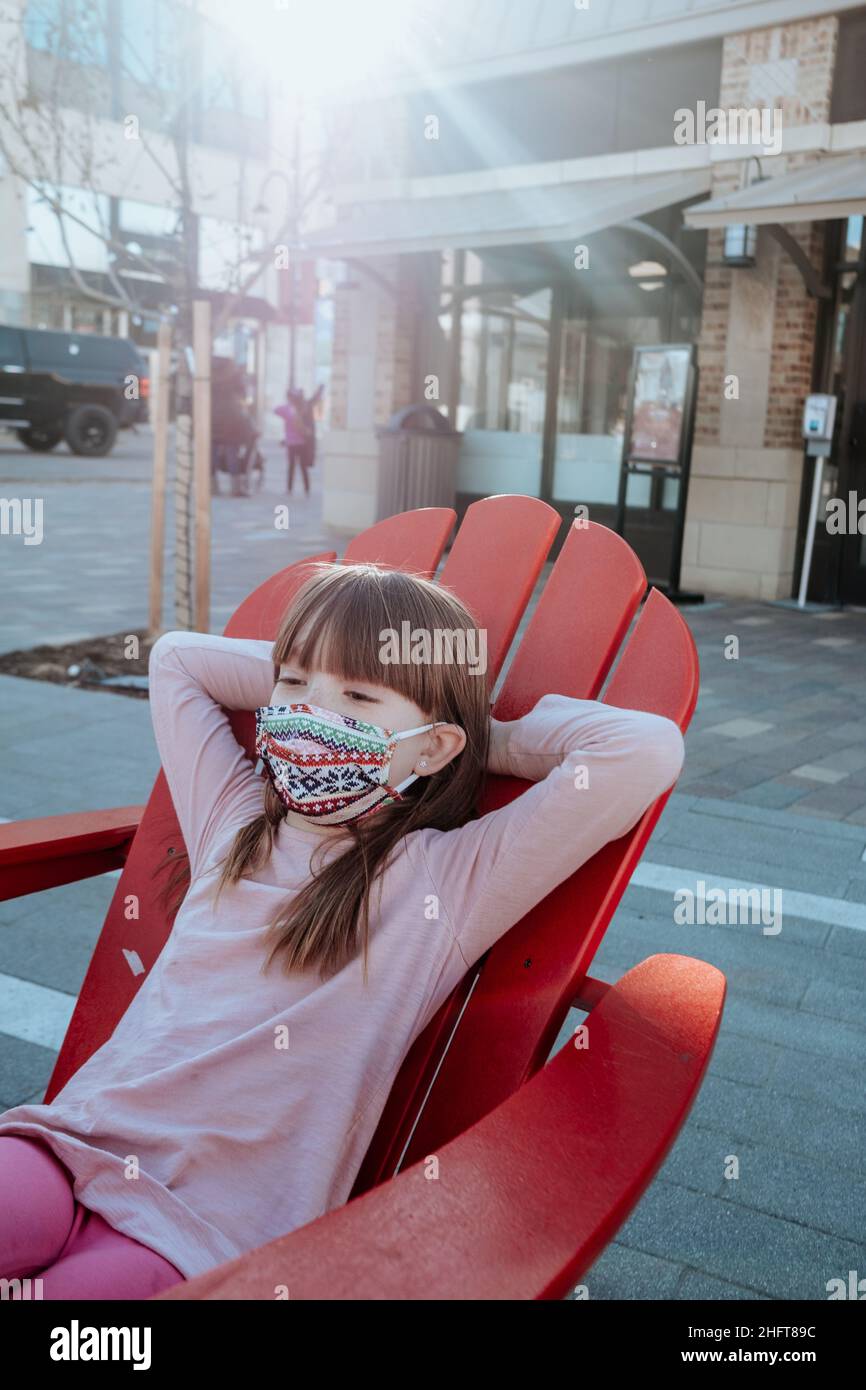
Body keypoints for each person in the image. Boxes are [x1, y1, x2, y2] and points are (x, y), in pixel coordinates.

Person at [0, 561, 685, 1297]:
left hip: (210, 1230)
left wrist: (492, 742)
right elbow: (177, 663)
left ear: (432, 748)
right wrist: (325, 684)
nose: (312, 715)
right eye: (292, 685)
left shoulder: (444, 885)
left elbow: (641, 751)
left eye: (357, 696)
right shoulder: (230, 822)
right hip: (73, 1144)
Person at [212, 365, 256, 497]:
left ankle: (211, 486)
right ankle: (235, 488)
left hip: (213, 421)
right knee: (232, 454)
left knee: (212, 455)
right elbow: (242, 403)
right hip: (232, 424)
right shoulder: (235, 384)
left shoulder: (213, 381)